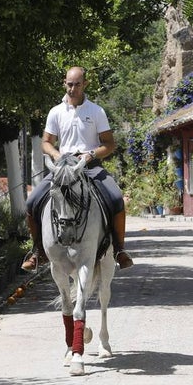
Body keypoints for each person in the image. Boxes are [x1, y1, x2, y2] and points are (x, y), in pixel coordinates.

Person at [22, 66, 133, 271]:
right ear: (64, 83)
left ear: (85, 84)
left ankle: (119, 249)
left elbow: (109, 144)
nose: (72, 89)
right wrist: (56, 155)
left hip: (90, 166)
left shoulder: (96, 111)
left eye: (77, 85)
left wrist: (91, 154)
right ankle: (38, 251)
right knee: (32, 201)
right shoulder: (56, 112)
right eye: (69, 84)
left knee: (116, 198)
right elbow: (46, 142)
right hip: (63, 167)